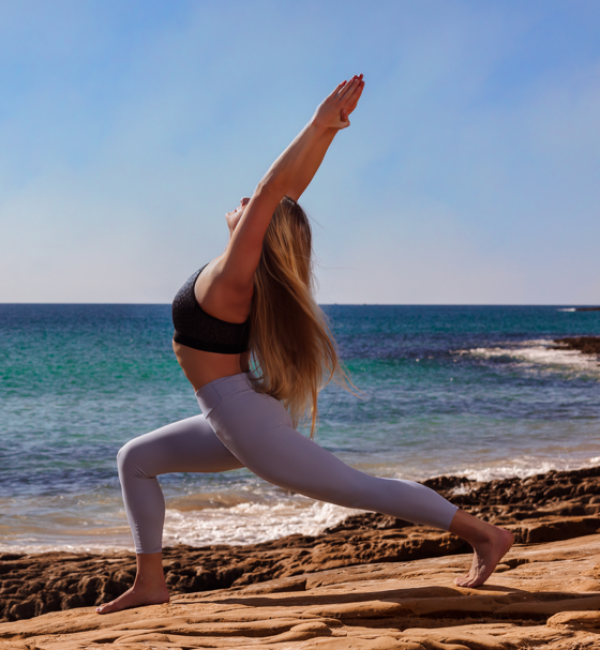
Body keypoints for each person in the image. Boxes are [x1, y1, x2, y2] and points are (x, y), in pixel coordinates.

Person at [96, 75, 513, 615]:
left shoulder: (234, 280)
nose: (247, 199)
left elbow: (274, 192)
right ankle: (150, 583)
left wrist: (319, 127)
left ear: (259, 233)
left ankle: (485, 534)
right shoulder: (243, 273)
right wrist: (329, 133)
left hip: (243, 420)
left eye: (254, 208)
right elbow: (280, 198)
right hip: (231, 413)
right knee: (135, 458)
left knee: (365, 490)